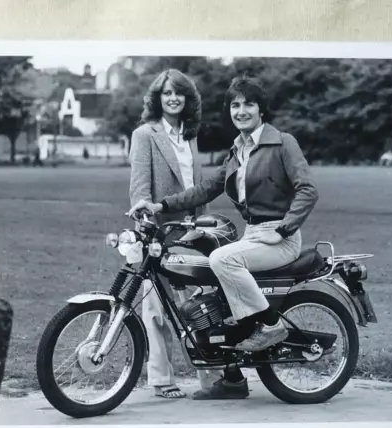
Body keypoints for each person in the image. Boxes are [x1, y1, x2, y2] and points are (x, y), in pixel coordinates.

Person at [128, 75, 319, 400]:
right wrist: (160, 205)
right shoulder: (237, 150)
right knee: (215, 290)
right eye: (235, 105)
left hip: (280, 237)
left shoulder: (282, 141)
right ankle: (231, 377)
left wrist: (285, 227)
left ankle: (271, 325)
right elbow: (205, 189)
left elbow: (308, 189)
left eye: (248, 104)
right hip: (253, 235)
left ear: (261, 110)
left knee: (221, 258)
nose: (241, 111)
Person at [129, 69, 223, 399]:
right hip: (158, 233)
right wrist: (144, 215)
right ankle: (161, 379)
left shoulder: (189, 135)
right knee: (156, 309)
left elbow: (196, 187)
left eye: (179, 93)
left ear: (188, 99)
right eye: (167, 93)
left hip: (190, 232)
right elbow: (139, 188)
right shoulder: (145, 134)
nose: (173, 98)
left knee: (200, 305)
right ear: (157, 98)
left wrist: (203, 225)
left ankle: (212, 380)